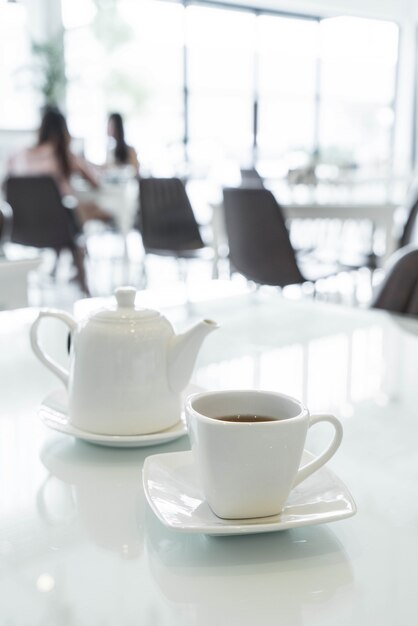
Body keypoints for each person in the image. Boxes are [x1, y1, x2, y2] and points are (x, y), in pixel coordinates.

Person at [6, 107, 112, 227]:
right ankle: (81, 244)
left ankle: (77, 244)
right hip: (58, 224)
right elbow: (95, 183)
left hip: (22, 226)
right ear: (64, 131)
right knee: (100, 210)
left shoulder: (18, 156)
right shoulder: (63, 155)